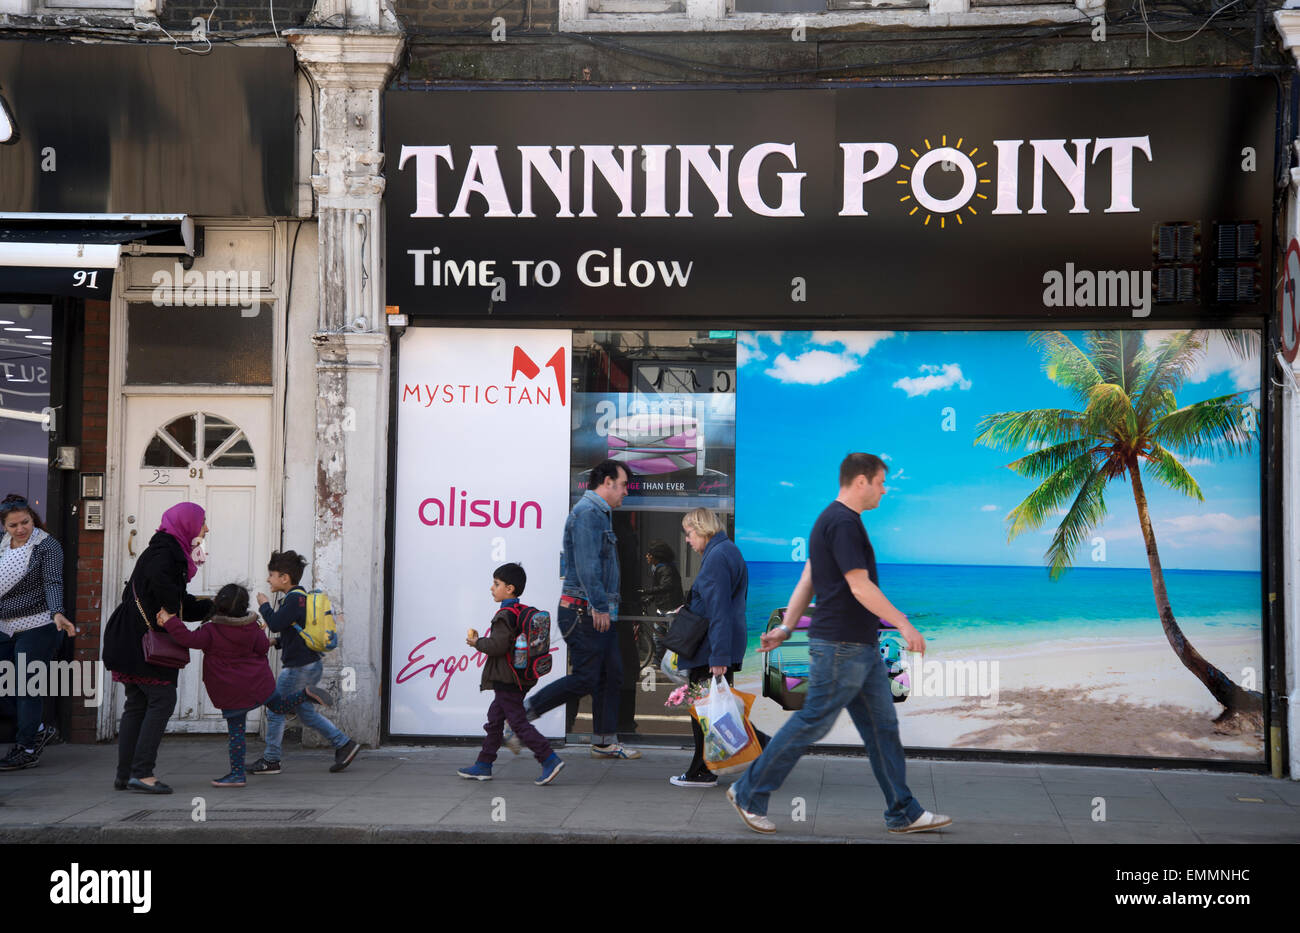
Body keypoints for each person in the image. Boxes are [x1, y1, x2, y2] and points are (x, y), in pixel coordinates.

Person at [725, 453, 951, 835]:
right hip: (840, 648)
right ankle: (748, 792)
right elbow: (859, 585)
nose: (885, 489)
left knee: (882, 729)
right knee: (812, 722)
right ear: (860, 481)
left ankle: (903, 811)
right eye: (881, 481)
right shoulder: (843, 523)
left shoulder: (831, 522)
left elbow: (808, 579)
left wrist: (785, 628)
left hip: (858, 648)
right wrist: (904, 624)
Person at [161, 583, 334, 787]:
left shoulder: (211, 630)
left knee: (237, 732)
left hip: (231, 690)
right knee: (279, 706)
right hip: (259, 682)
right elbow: (261, 648)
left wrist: (170, 622)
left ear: (218, 604)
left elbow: (188, 639)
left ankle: (237, 775)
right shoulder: (251, 626)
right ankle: (304, 694)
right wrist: (262, 637)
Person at [523, 460, 639, 759]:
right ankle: (524, 714)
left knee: (611, 674)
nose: (627, 491)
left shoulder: (601, 514)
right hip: (583, 610)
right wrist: (599, 607)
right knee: (588, 677)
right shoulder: (588, 514)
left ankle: (603, 741)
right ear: (608, 482)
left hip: (595, 610)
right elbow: (588, 566)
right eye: (624, 484)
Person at [103, 501, 213, 794]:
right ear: (187, 524)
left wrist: (212, 607)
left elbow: (173, 602)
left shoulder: (161, 551)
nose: (206, 529)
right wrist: (186, 611)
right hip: (143, 640)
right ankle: (142, 773)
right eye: (202, 522)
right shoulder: (167, 555)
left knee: (137, 704)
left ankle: (126, 774)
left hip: (131, 636)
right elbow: (168, 602)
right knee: (161, 699)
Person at [669, 508, 764, 788]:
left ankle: (702, 771)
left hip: (709, 650)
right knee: (714, 710)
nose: (688, 540)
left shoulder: (717, 557)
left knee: (705, 712)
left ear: (701, 529)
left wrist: (718, 656)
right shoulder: (727, 550)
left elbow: (720, 609)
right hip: (716, 647)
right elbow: (718, 604)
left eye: (689, 533)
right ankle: (754, 757)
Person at [249, 550, 360, 774]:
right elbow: (298, 632)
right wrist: (276, 643)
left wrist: (264, 605)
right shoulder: (302, 598)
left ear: (284, 578)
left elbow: (277, 623)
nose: (268, 579)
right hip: (309, 664)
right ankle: (344, 744)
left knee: (275, 710)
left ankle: (271, 760)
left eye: (271, 575)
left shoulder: (292, 599)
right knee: (306, 714)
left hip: (298, 668)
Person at [457, 563, 565, 785]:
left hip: (507, 679)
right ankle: (483, 764)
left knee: (516, 722)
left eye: (496, 584)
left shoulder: (504, 615)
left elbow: (498, 646)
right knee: (495, 720)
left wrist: (477, 642)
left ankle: (548, 758)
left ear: (510, 589)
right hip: (520, 677)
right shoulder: (522, 611)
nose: (491, 588)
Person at [0, 494, 77, 771]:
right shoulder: (2, 546)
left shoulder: (47, 545)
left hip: (37, 625)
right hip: (4, 626)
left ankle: (27, 748)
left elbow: (53, 581)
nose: (21, 529)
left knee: (25, 687)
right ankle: (39, 728)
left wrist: (57, 611)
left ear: (33, 518)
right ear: (4, 527)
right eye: (13, 525)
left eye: (25, 522)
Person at [643, 540, 684, 669]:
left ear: (656, 556)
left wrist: (646, 592)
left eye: (649, 554)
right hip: (662, 608)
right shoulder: (657, 568)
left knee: (670, 638)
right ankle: (658, 662)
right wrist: (649, 598)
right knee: (658, 637)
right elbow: (659, 589)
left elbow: (666, 587)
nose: (646, 556)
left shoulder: (666, 568)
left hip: (671, 609)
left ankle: (673, 664)